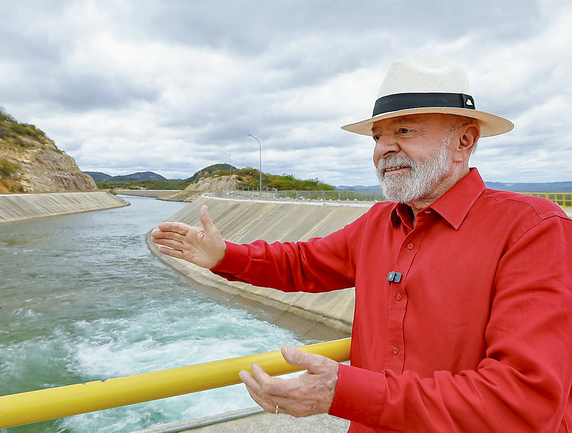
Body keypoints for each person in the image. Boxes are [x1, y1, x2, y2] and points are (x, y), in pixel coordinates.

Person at [151, 56, 572, 432]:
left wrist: (346, 391)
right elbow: (302, 263)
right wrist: (224, 256)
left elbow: (524, 403)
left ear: (465, 140)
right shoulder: (378, 223)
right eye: (376, 136)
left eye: (404, 130)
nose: (384, 149)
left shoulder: (532, 229)